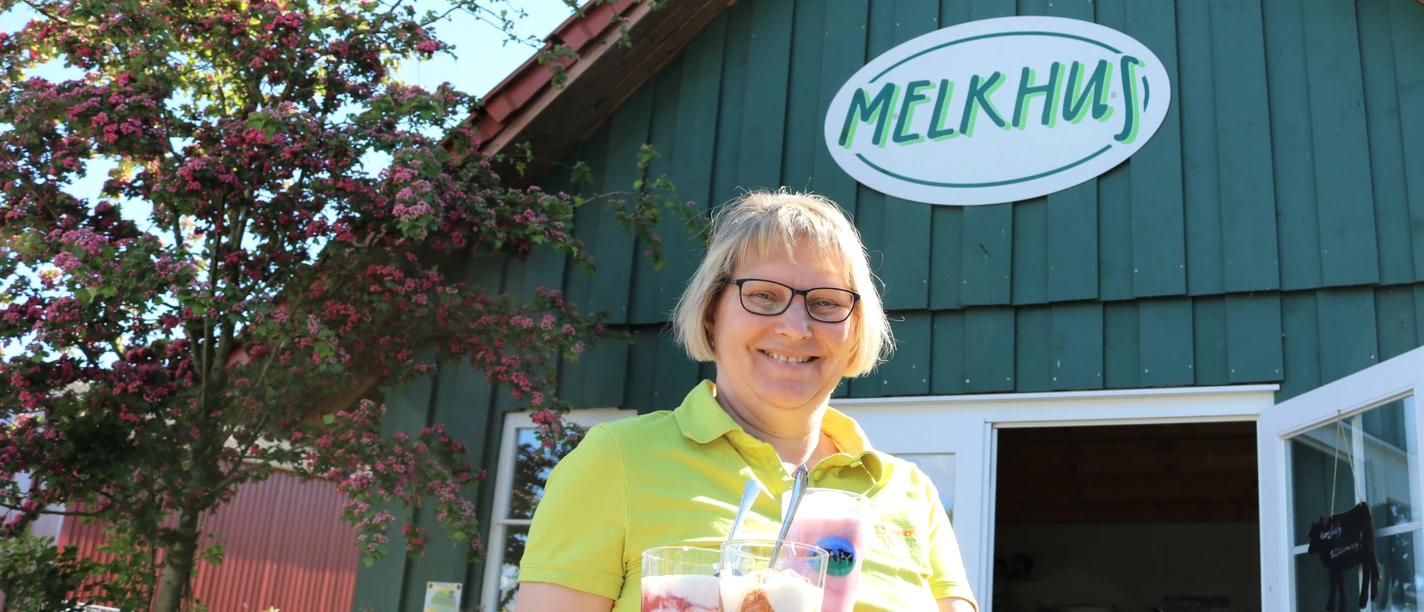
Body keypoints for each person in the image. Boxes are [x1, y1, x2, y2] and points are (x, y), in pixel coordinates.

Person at [513, 190, 977, 612]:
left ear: (855, 329)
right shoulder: (614, 462)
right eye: (763, 296)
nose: (796, 327)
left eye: (827, 302)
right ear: (712, 313)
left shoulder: (912, 494)